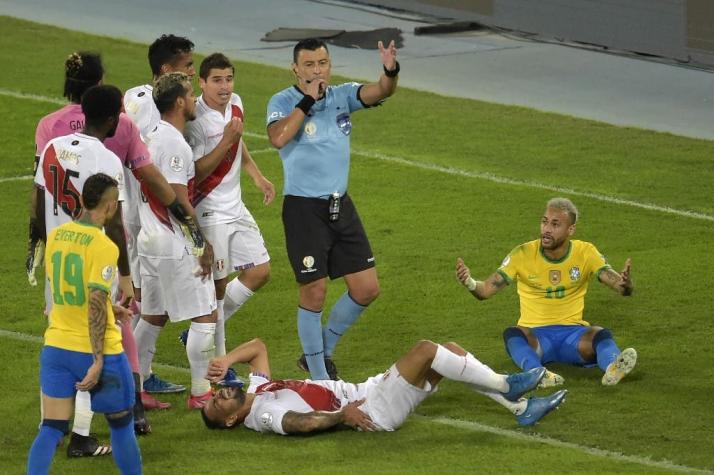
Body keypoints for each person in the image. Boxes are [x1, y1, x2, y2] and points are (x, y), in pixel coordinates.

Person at [266, 38, 400, 380]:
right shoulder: (282, 101)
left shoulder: (342, 96)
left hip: (341, 206)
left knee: (367, 288)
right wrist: (308, 99)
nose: (317, 70)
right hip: (303, 210)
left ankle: (319, 353)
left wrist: (390, 69)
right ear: (295, 68)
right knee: (315, 290)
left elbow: (382, 91)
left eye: (322, 63)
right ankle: (320, 378)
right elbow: (279, 138)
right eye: (309, 64)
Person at [31, 82, 134, 453]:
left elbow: (37, 206)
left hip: (58, 261)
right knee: (95, 347)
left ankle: (52, 424)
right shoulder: (106, 159)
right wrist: (125, 275)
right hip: (92, 259)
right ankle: (81, 436)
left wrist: (45, 251)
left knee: (59, 339)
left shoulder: (52, 148)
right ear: (112, 118)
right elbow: (116, 222)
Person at [199, 338, 567, 433]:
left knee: (450, 354)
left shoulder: (256, 390)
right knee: (426, 351)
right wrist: (343, 416)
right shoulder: (261, 413)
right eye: (217, 405)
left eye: (214, 395)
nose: (218, 395)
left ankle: (520, 408)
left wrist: (226, 361)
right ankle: (507, 385)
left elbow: (258, 348)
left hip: (364, 391)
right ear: (231, 420)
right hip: (370, 411)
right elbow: (301, 423)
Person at [26, 173, 142, 475]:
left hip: (57, 348)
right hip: (98, 352)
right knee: (121, 425)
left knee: (51, 429)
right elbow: (92, 300)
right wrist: (98, 358)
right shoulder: (104, 246)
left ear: (81, 200)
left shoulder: (58, 237)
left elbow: (71, 290)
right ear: (111, 207)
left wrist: (110, 307)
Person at [455, 197, 637, 387]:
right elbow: (484, 291)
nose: (547, 229)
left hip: (574, 336)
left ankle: (613, 368)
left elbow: (618, 284)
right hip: (536, 338)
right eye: (544, 221)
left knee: (600, 334)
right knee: (513, 335)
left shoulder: (585, 252)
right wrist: (469, 281)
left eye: (555, 224)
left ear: (570, 230)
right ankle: (539, 374)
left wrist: (625, 284)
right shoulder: (523, 254)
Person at [132, 72, 218, 410]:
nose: (196, 99)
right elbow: (179, 201)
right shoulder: (174, 145)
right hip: (172, 242)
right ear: (180, 102)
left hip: (148, 239)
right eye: (191, 94)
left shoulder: (151, 136)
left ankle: (135, 389)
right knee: (206, 314)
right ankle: (201, 393)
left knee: (153, 316)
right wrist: (201, 245)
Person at [184, 52, 274, 366]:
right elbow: (194, 172)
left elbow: (238, 142)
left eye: (229, 79)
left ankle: (202, 329)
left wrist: (256, 175)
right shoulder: (193, 117)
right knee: (218, 288)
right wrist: (225, 141)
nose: (224, 86)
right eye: (217, 80)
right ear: (202, 82)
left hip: (236, 206)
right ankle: (220, 361)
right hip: (210, 212)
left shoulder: (236, 102)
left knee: (260, 271)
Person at [123, 35, 197, 396]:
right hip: (142, 214)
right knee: (139, 300)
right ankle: (127, 377)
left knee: (151, 303)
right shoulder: (145, 103)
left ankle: (139, 374)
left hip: (144, 213)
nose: (192, 76)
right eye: (187, 68)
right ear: (167, 70)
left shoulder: (143, 101)